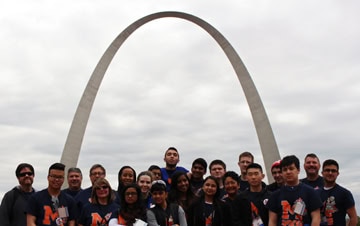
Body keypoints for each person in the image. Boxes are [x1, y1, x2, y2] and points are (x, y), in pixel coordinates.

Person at [267, 155, 322, 226]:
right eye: (285, 169)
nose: (288, 172)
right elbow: (272, 221)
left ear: (298, 170)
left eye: (291, 168)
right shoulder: (275, 195)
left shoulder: (311, 192)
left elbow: (316, 218)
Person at [318, 159, 358, 226]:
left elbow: (353, 218)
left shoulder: (345, 193)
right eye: (327, 170)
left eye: (333, 171)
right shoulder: (316, 193)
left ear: (337, 173)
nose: (330, 173)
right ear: (322, 173)